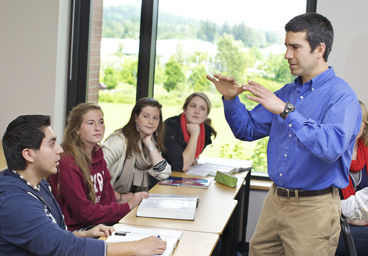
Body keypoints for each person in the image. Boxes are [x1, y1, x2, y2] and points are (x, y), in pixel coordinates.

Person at [207, 13, 361, 255]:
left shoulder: (342, 97)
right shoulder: (286, 92)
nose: (287, 54)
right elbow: (245, 130)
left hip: (314, 208)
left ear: (319, 49)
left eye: (295, 47)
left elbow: (331, 148)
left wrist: (286, 111)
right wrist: (230, 98)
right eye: (286, 46)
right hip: (275, 200)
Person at [0, 114, 166, 256]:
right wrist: (135, 247)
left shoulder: (38, 184)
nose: (59, 149)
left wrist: (85, 234)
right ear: (28, 154)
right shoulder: (15, 202)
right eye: (51, 144)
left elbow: (54, 236)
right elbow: (63, 247)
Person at [49, 103, 149, 231]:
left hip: (97, 223)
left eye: (101, 122)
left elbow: (108, 199)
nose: (98, 128)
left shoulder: (97, 152)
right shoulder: (68, 162)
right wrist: (127, 206)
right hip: (75, 230)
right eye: (91, 123)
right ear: (77, 129)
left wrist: (118, 216)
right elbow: (85, 213)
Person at [101, 97, 171, 202]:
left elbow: (164, 174)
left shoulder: (151, 142)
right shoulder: (119, 141)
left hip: (133, 203)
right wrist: (121, 197)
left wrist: (150, 144)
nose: (151, 122)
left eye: (155, 118)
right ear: (136, 117)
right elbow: (94, 179)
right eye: (146, 116)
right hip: (109, 203)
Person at [336, 100, 368, 255]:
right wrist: (351, 218)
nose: (354, 125)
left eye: (359, 120)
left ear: (365, 126)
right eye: (351, 120)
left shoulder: (367, 152)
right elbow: (321, 203)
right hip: (340, 223)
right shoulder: (333, 156)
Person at [162, 92, 217, 172]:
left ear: (206, 115)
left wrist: (191, 158)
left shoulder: (206, 130)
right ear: (184, 109)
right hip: (160, 177)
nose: (197, 111)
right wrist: (194, 135)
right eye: (193, 106)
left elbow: (193, 158)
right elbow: (182, 166)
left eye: (202, 108)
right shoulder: (170, 126)